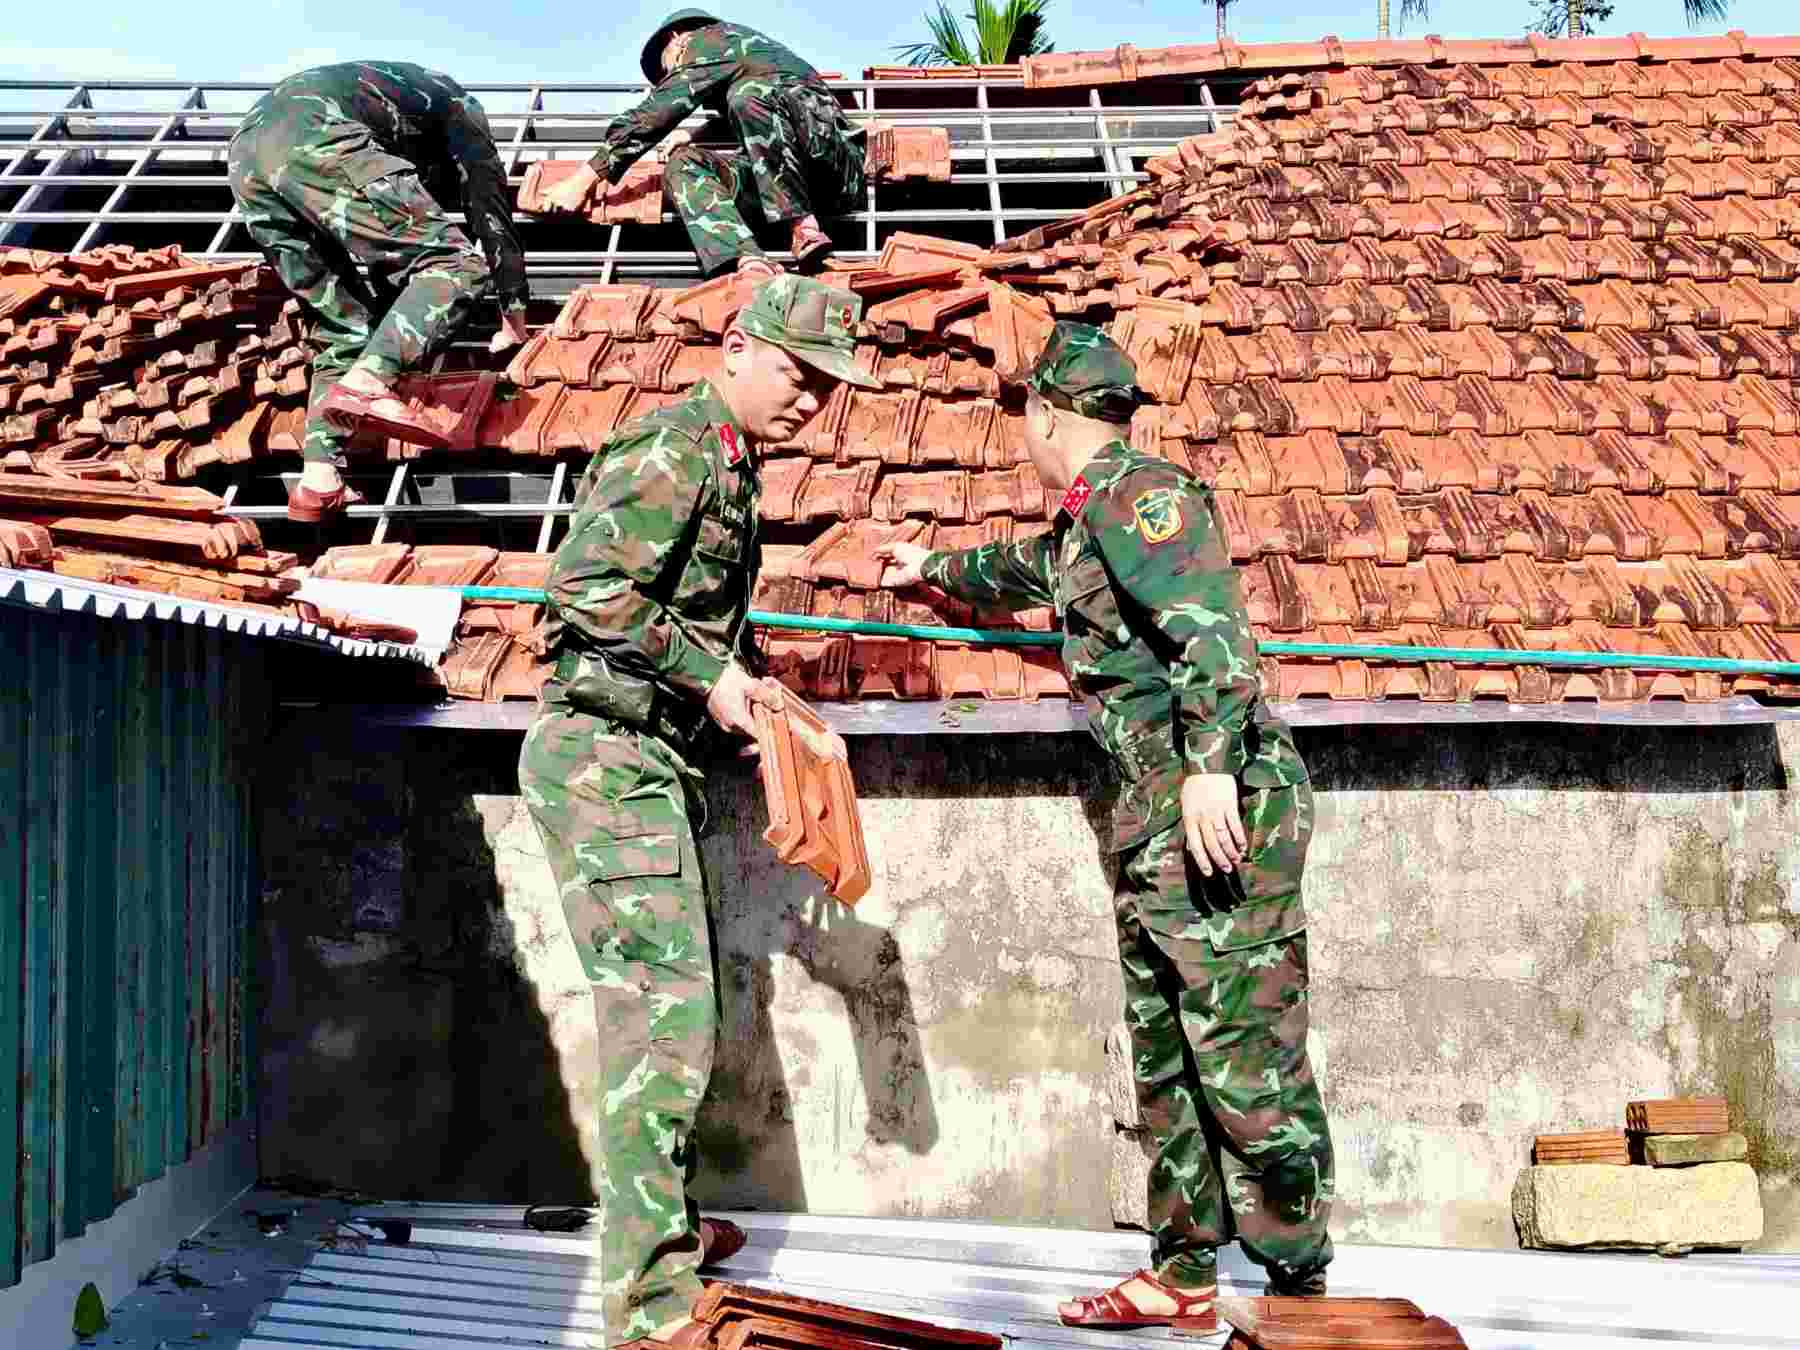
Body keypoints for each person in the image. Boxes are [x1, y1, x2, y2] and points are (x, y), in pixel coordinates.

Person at [877, 323, 1334, 1331]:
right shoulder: (1090, 519)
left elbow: (1213, 629)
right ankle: (1182, 1271)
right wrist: (931, 567)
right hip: (1151, 821)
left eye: (1025, 421)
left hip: (1218, 815)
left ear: (1045, 414)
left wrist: (1212, 768)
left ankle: (1303, 1299)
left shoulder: (1144, 496)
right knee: (1168, 1055)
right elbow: (1030, 571)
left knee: (1246, 1065)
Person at [518, 274, 879, 1349]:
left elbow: (688, 620)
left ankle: (661, 1228)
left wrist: (772, 707)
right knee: (665, 1032)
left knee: (678, 1023)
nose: (811, 399)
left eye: (826, 386)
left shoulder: (731, 466)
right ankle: (652, 1308)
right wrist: (708, 675)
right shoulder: (675, 451)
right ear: (737, 346)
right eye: (797, 374)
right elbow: (584, 595)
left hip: (645, 762)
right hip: (603, 759)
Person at [228, 61, 530, 522]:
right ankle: (369, 383)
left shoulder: (389, 96)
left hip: (247, 160)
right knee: (457, 266)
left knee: (342, 326)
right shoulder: (461, 106)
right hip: (317, 136)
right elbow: (489, 209)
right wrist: (515, 312)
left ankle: (318, 482)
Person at [540, 10, 864, 278]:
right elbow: (755, 122)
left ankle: (803, 229)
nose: (673, 73)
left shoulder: (710, 39)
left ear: (675, 39)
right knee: (683, 162)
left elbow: (656, 113)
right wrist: (694, 135)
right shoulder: (745, 65)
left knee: (747, 96)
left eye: (668, 68)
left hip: (833, 173)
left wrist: (581, 180)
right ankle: (748, 261)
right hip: (777, 178)